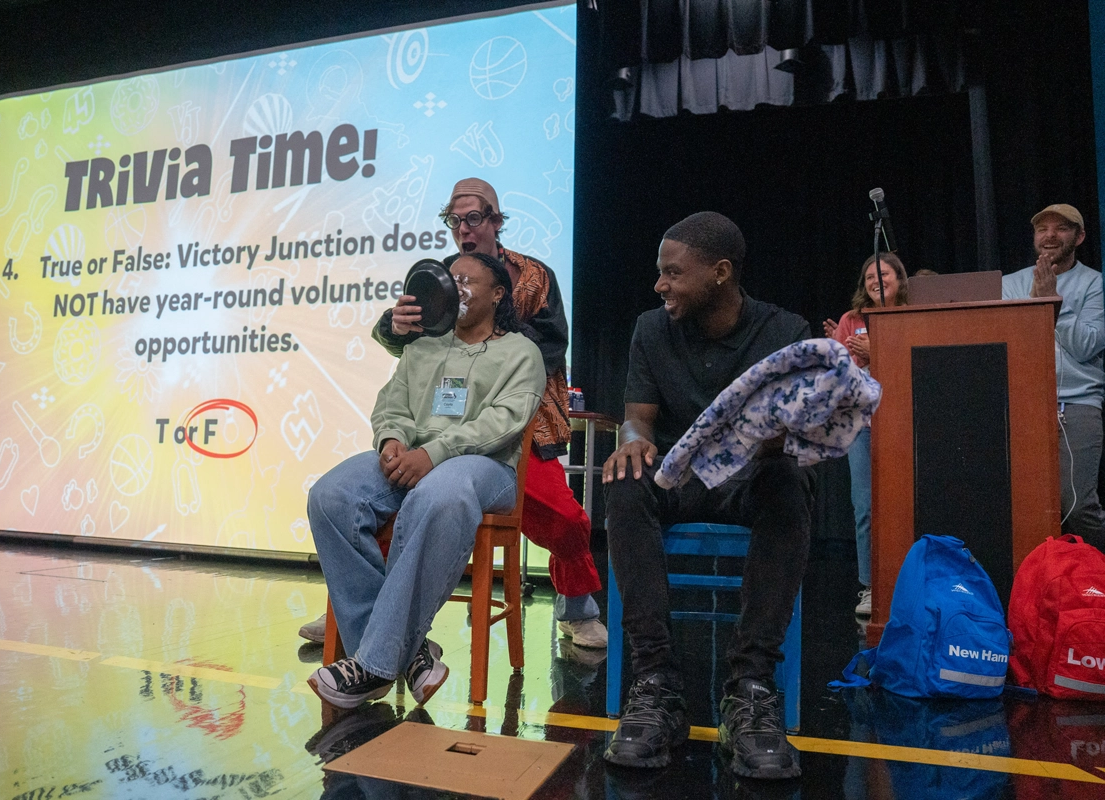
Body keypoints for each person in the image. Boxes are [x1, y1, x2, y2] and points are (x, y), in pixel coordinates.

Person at [301, 177, 608, 649]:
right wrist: (392, 325)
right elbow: (409, 350)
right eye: (454, 219)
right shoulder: (440, 277)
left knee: (565, 517)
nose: (463, 228)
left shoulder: (532, 276)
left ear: (495, 221)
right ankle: (360, 610)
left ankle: (578, 602)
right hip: (434, 428)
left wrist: (491, 336)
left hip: (511, 424)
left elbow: (550, 345)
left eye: (473, 217)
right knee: (373, 496)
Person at [602, 211, 812, 779]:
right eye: (659, 273)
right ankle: (655, 683)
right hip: (677, 475)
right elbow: (638, 420)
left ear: (720, 273)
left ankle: (749, 688)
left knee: (790, 484)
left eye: (672, 273)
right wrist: (631, 442)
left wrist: (780, 435)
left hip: (749, 476)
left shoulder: (784, 331)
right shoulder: (651, 328)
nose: (659, 285)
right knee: (622, 481)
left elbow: (793, 432)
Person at [305, 252, 545, 708]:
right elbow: (392, 403)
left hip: (485, 467)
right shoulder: (423, 345)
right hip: (412, 457)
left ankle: (373, 664)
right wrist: (391, 439)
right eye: (452, 280)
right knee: (330, 496)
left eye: (469, 280)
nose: (457, 288)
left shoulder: (521, 352)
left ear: (498, 294)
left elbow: (505, 422)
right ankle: (404, 653)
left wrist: (433, 454)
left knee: (441, 492)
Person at [1002, 204, 1105, 550]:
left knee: (1077, 505)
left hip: (1077, 404)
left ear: (1079, 237)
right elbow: (1008, 344)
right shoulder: (1011, 283)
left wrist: (1053, 304)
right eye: (1042, 229)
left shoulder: (1093, 282)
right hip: (1025, 403)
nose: (1049, 236)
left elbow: (1089, 345)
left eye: (1060, 228)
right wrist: (1034, 308)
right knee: (1028, 507)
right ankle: (1042, 584)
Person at [823, 253, 909, 616]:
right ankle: (870, 587)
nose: (876, 280)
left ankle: (909, 583)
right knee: (865, 507)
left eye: (884, 273)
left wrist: (880, 353)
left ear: (900, 279)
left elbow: (919, 364)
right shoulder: (851, 320)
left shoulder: (914, 314)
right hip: (862, 427)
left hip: (904, 423)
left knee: (906, 504)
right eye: (869, 275)